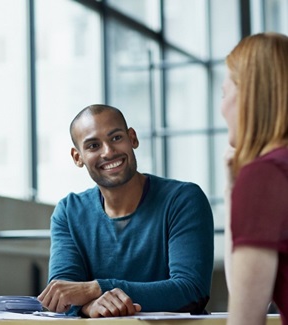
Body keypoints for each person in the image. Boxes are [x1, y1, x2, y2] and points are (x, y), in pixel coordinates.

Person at [37, 104, 214, 318]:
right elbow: (63, 293)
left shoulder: (183, 199)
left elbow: (191, 291)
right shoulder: (68, 212)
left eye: (116, 138)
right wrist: (89, 307)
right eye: (93, 145)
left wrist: (95, 289)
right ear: (78, 157)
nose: (108, 152)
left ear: (133, 138)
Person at [221, 32, 288, 325]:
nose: (222, 109)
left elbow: (246, 314)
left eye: (224, 94)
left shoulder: (265, 176)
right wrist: (232, 189)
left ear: (247, 96)